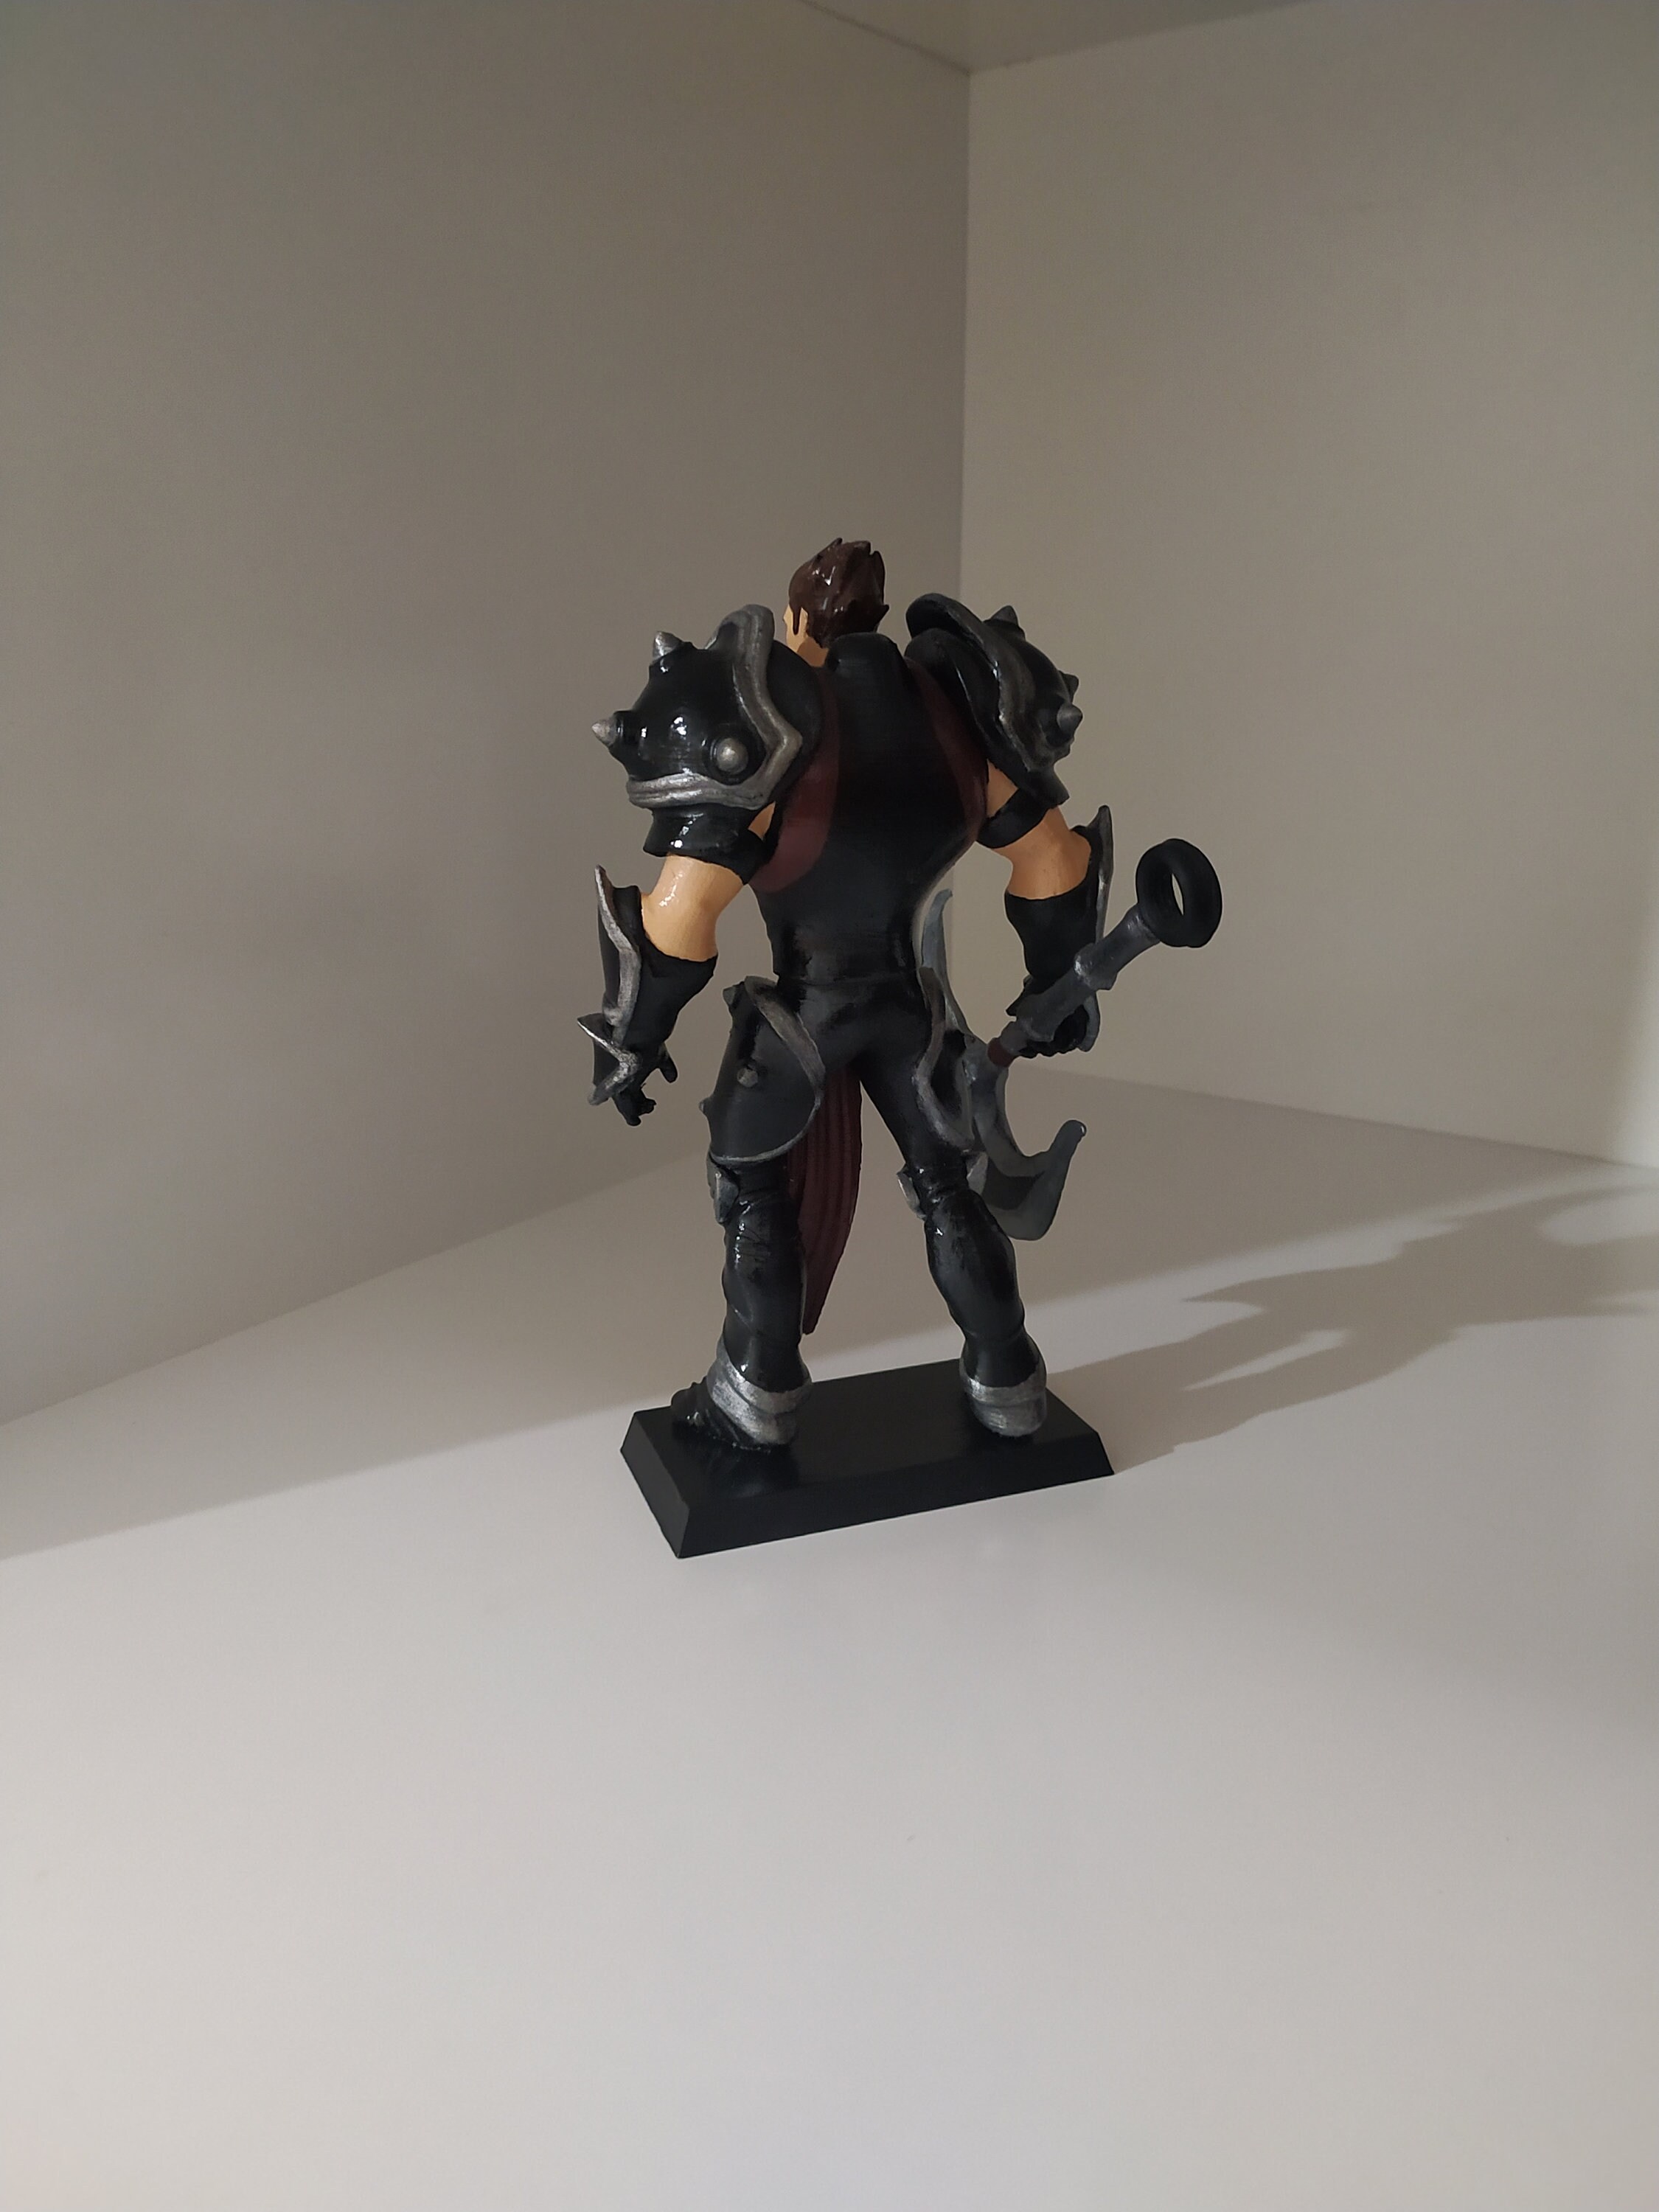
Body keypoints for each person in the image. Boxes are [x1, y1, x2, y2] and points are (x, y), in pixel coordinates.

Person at [583, 538, 1109, 1450]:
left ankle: (756, 1395)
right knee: (950, 1190)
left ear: (796, 619)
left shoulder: (767, 727)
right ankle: (1009, 1381)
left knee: (755, 1194)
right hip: (911, 1016)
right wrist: (1056, 983)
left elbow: (680, 918)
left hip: (803, 1015)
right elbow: (1054, 862)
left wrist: (632, 1041)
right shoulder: (956, 712)